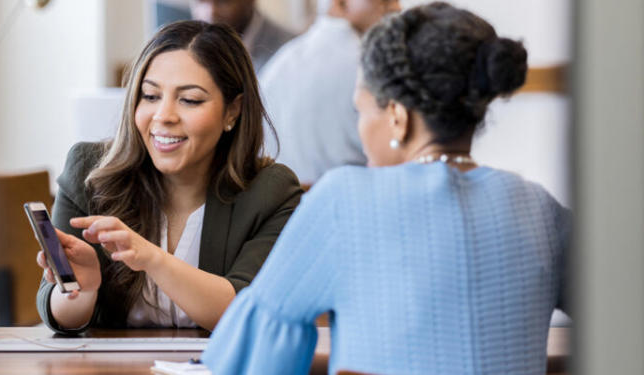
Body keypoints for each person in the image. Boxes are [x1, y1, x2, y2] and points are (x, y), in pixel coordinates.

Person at [202, 3, 570, 374]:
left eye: (361, 111)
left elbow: (249, 356)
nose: (360, 133)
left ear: (398, 117)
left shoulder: (345, 200)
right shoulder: (539, 208)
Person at [35, 20, 303, 333]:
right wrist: (82, 288)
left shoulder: (272, 191)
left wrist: (152, 258)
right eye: (150, 96)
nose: (164, 116)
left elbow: (246, 310)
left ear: (233, 110)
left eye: (190, 100)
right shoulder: (88, 172)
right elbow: (58, 314)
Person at [260, 0, 400, 184]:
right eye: (384, 1)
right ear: (339, 3)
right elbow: (398, 158)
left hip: (283, 206)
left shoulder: (277, 65)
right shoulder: (368, 67)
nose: (396, 8)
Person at [190, 0, 295, 73]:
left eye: (223, 1)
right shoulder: (188, 47)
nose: (211, 13)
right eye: (201, 1)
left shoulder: (289, 51)